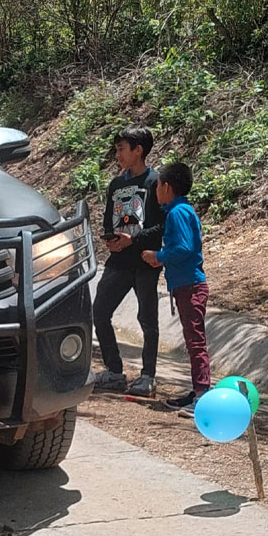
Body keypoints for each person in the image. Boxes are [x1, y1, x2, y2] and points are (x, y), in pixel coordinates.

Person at [93, 126, 165, 397]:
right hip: (118, 261)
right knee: (99, 312)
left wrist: (133, 240)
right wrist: (111, 239)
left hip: (145, 262)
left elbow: (162, 225)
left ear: (139, 150)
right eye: (116, 149)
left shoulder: (155, 182)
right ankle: (114, 371)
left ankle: (148, 376)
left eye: (122, 148)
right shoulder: (116, 183)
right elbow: (108, 217)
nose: (118, 154)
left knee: (147, 319)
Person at [142, 162, 209, 416]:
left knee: (196, 342)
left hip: (191, 285)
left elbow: (185, 248)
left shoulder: (178, 212)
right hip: (185, 285)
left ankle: (202, 394)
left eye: (158, 185)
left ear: (167, 187)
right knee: (193, 341)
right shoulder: (179, 210)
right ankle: (197, 390)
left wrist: (158, 255)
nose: (156, 190)